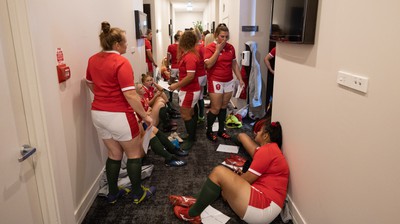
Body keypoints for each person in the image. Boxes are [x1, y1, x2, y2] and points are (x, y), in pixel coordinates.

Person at [86, 21, 155, 204]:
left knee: (113, 154)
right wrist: (145, 116)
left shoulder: (92, 59)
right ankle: (137, 192)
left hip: (99, 114)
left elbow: (89, 83)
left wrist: (104, 96)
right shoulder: (121, 62)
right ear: (116, 45)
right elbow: (131, 95)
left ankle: (113, 193)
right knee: (133, 154)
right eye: (124, 42)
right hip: (120, 116)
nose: (127, 45)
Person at [169, 122, 289, 224]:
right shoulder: (271, 150)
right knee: (225, 185)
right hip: (265, 207)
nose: (256, 133)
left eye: (260, 131)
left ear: (266, 136)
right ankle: (196, 202)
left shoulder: (268, 150)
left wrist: (236, 180)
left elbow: (246, 180)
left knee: (219, 172)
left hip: (263, 207)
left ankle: (191, 214)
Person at [203, 23, 244, 142]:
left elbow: (234, 64)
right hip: (215, 80)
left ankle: (221, 130)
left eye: (227, 37)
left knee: (223, 107)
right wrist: (218, 50)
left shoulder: (231, 47)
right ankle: (209, 130)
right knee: (215, 108)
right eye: (222, 36)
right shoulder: (210, 47)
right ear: (216, 35)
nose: (225, 39)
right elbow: (208, 65)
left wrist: (240, 78)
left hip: (228, 81)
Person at [135, 83, 188, 166]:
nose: (143, 88)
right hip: (135, 137)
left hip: (142, 124)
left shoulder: (139, 99)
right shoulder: (134, 102)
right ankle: (169, 157)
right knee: (151, 133)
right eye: (141, 87)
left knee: (155, 130)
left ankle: (172, 149)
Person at [168, 31, 200, 150]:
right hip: (188, 89)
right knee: (190, 113)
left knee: (186, 115)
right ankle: (191, 135)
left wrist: (176, 85)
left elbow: (190, 76)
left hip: (190, 90)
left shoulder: (190, 56)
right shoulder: (187, 54)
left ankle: (191, 139)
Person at [193, 28, 207, 123]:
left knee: (195, 97)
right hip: (203, 74)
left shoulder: (194, 48)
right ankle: (201, 115)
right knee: (200, 96)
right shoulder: (203, 47)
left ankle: (196, 116)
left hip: (197, 75)